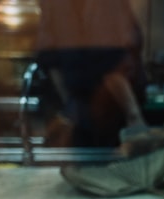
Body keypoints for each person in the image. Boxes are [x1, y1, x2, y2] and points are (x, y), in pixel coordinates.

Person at [36, 0, 148, 148]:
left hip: (82, 112)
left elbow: (50, 58)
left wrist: (67, 109)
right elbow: (113, 63)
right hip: (106, 113)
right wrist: (134, 116)